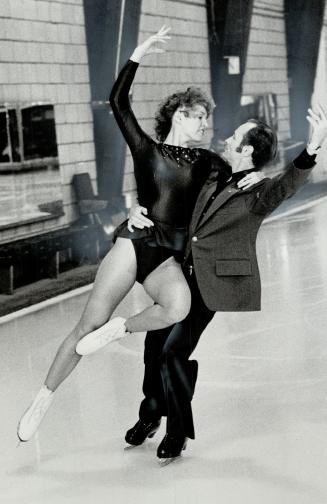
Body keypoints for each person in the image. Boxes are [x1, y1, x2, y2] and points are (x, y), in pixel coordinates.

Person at [17, 26, 262, 443]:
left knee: (178, 306)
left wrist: (257, 176)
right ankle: (43, 397)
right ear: (181, 115)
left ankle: (121, 329)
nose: (206, 124)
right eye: (201, 116)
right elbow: (117, 101)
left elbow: (233, 191)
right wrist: (136, 54)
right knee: (84, 327)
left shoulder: (210, 163)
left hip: (169, 256)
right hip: (136, 241)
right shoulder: (146, 149)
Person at [125, 106, 327, 460]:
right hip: (180, 273)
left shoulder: (258, 191)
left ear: (247, 150)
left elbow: (285, 187)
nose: (227, 138)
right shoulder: (213, 175)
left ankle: (177, 432)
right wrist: (137, 209)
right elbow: (168, 188)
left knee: (174, 352)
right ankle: (150, 416)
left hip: (211, 284)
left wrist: (311, 151)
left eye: (235, 137)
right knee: (153, 347)